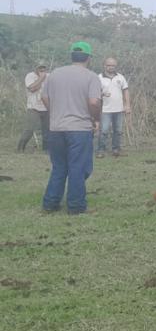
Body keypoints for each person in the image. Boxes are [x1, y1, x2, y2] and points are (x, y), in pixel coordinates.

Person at [41, 41, 102, 214]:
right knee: (78, 167)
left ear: (71, 56)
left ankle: (50, 204)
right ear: (89, 58)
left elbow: (44, 98)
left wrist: (55, 113)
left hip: (56, 127)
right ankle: (76, 206)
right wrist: (95, 118)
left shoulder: (54, 74)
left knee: (59, 166)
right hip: (79, 129)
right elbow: (93, 101)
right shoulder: (91, 77)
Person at [96, 57, 130, 158]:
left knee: (118, 131)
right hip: (105, 110)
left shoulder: (120, 77)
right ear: (104, 65)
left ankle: (116, 149)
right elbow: (94, 93)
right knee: (104, 131)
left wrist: (127, 105)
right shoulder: (99, 77)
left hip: (119, 109)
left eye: (113, 65)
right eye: (109, 65)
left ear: (116, 66)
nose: (111, 67)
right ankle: (101, 150)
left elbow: (126, 91)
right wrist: (102, 94)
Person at [17, 64, 49, 152]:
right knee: (29, 129)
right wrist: (41, 79)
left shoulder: (49, 76)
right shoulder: (30, 76)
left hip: (46, 106)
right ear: (36, 68)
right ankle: (20, 148)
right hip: (33, 107)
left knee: (47, 130)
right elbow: (31, 88)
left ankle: (46, 149)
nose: (42, 70)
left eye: (44, 68)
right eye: (40, 68)